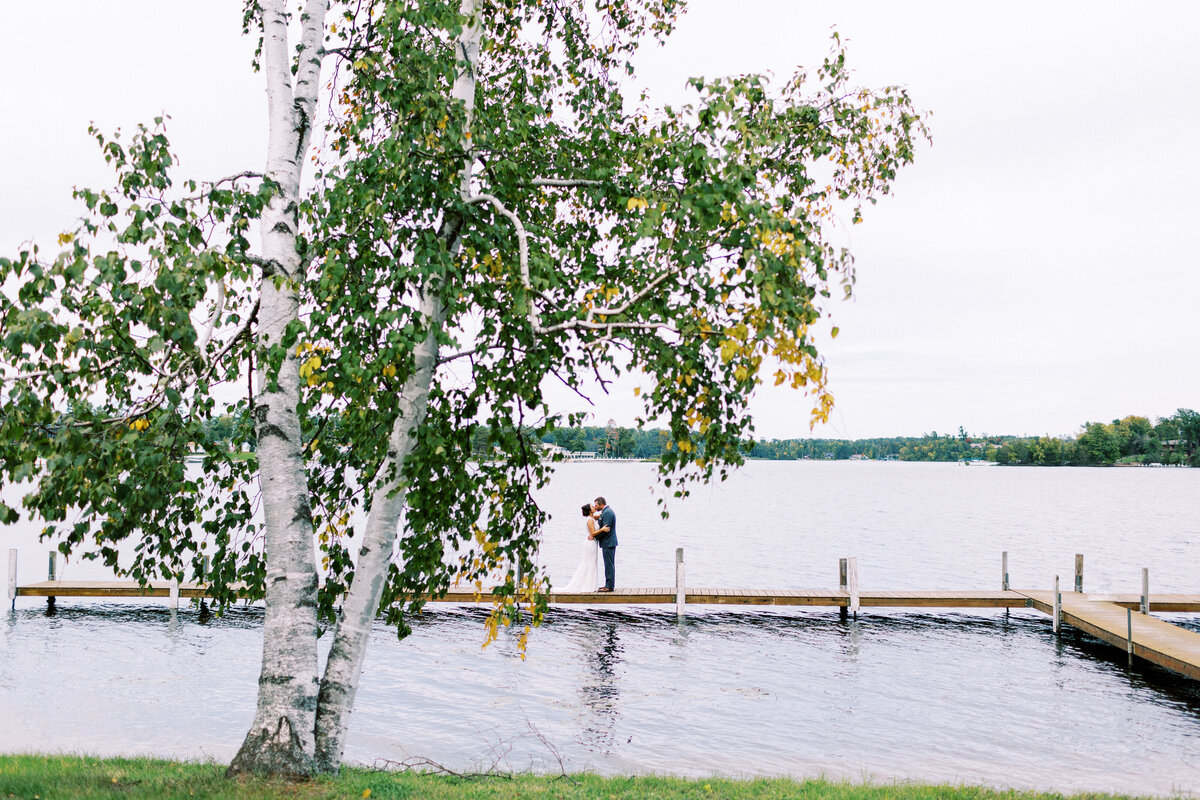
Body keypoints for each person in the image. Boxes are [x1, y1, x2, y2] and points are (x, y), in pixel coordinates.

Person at [559, 503, 600, 593]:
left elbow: (599, 516)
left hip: (594, 543)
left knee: (593, 563)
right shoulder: (589, 520)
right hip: (590, 543)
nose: (594, 507)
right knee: (588, 563)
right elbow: (592, 533)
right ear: (589, 510)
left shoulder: (593, 517)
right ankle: (587, 585)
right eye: (592, 507)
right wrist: (603, 529)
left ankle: (591, 584)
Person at [592, 496, 617, 592]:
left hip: (609, 542)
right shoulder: (606, 512)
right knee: (608, 564)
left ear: (601, 504)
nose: (595, 507)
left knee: (609, 565)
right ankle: (608, 584)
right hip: (608, 542)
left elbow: (606, 529)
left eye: (596, 505)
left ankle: (609, 586)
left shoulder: (607, 513)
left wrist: (596, 537)